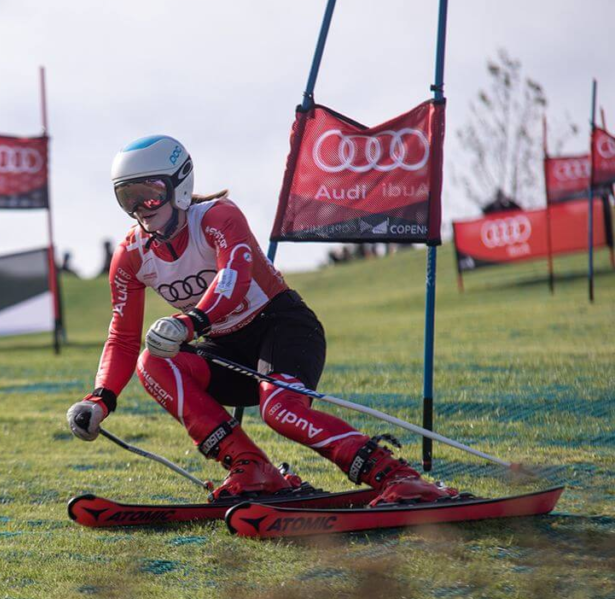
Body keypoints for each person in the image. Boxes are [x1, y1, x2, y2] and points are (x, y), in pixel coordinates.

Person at [65, 135, 457, 505]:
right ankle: (252, 468)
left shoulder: (218, 217)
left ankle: (397, 476)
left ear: (179, 186)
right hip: (224, 346)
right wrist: (100, 399)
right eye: (128, 198)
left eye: (149, 194)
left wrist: (190, 322)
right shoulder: (131, 255)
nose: (140, 208)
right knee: (153, 362)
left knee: (280, 410)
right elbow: (122, 337)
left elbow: (233, 279)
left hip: (282, 327)